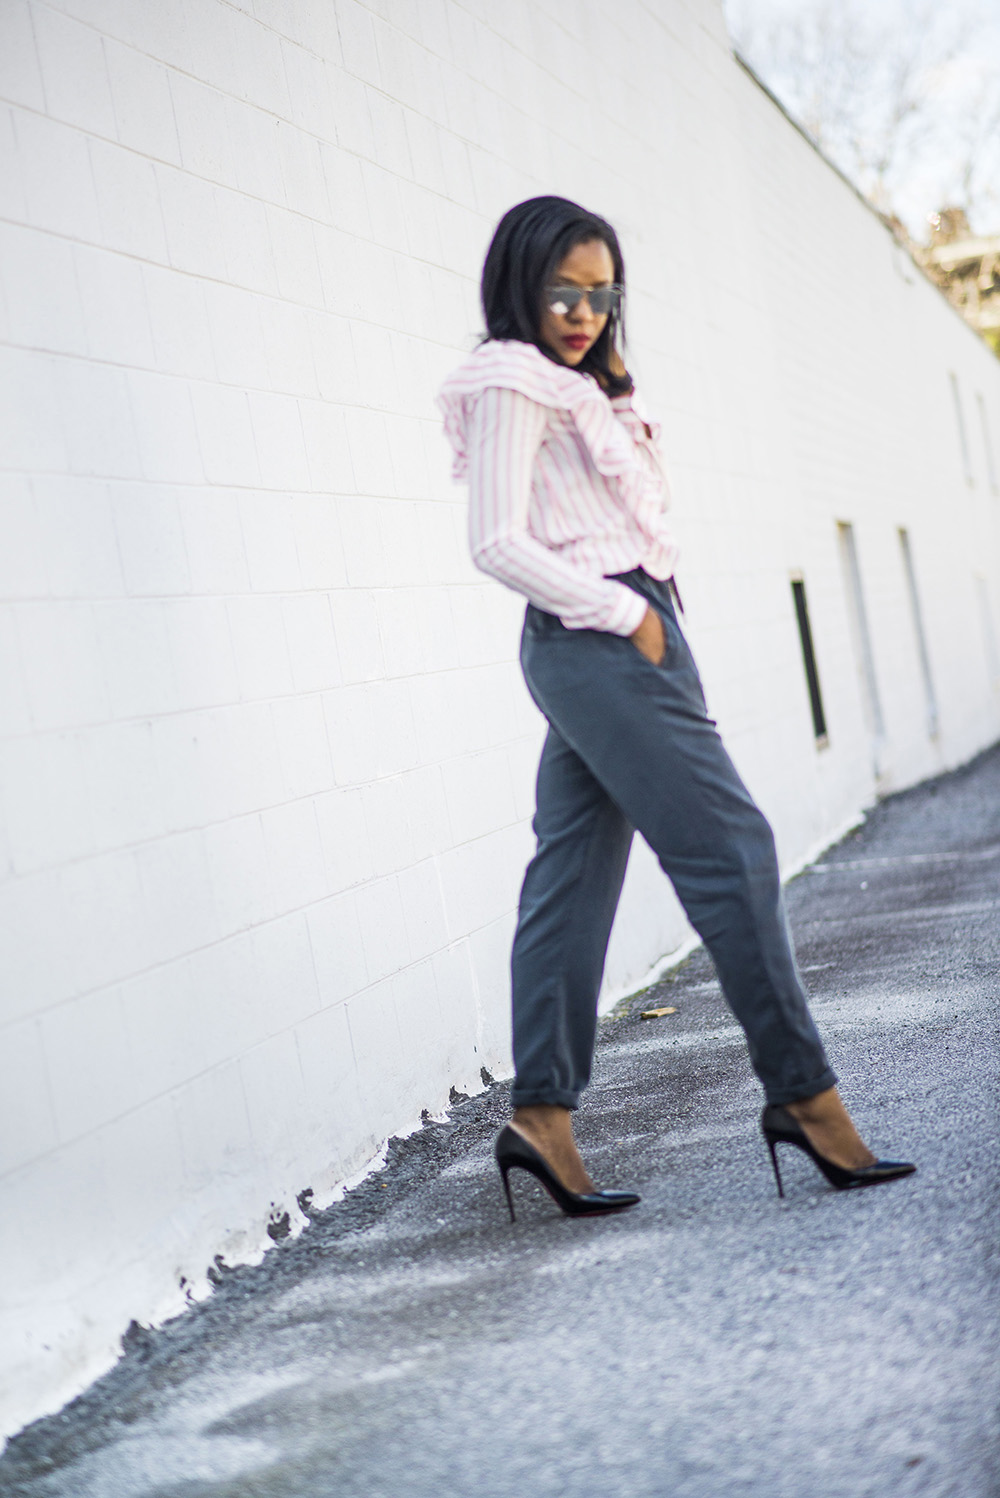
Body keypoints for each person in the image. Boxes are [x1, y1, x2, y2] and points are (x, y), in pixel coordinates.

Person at [438, 195, 914, 1220]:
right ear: (520, 282)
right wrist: (626, 617)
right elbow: (494, 540)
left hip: (620, 631)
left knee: (572, 875)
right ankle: (804, 1095)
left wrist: (645, 616)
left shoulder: (584, 385)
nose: (583, 312)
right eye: (562, 290)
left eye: (601, 292)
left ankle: (543, 1120)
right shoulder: (513, 377)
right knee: (732, 850)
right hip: (601, 632)